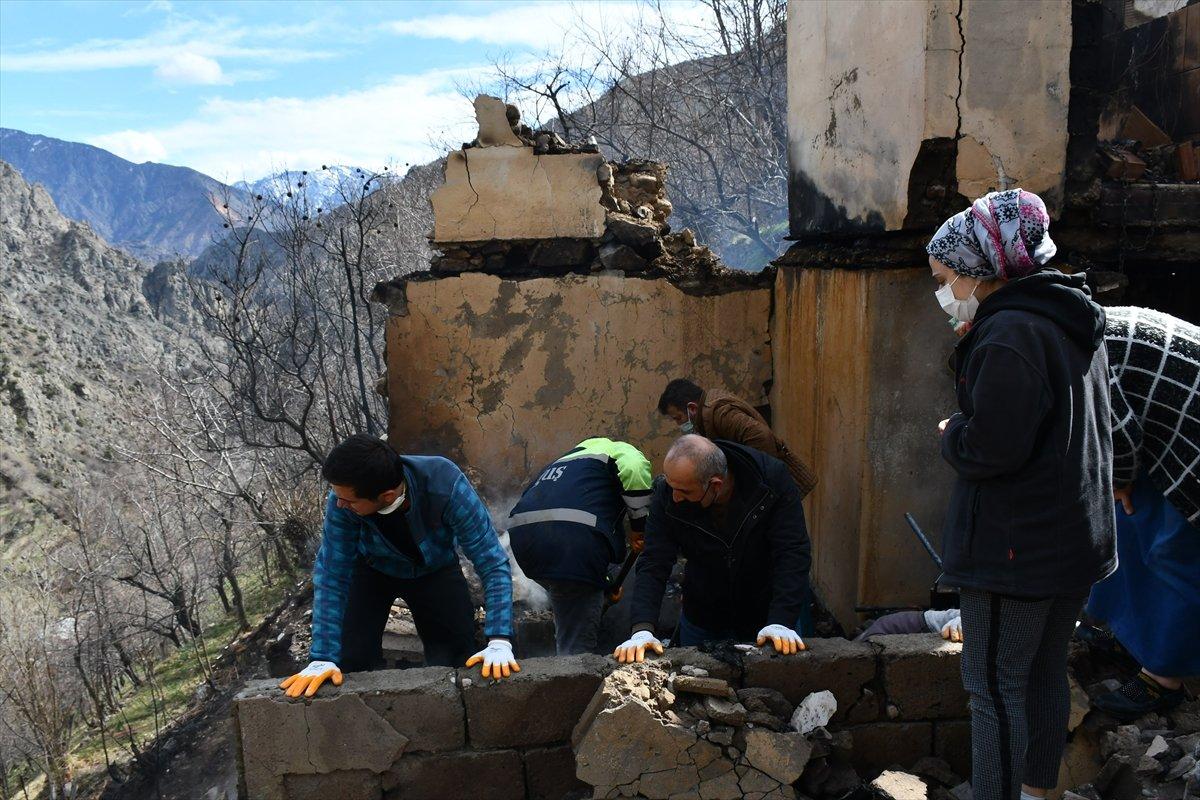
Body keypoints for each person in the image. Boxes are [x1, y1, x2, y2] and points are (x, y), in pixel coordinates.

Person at [927, 189, 1116, 800]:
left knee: (992, 688)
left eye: (944, 276)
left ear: (978, 271)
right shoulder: (1070, 318)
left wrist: (953, 434)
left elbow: (992, 447)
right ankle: (1041, 791)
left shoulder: (1009, 334)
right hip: (1072, 538)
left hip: (1017, 550)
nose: (943, 291)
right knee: (1039, 677)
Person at [280, 434, 518, 699]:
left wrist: (499, 638)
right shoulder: (344, 502)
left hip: (435, 570)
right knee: (351, 657)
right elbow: (331, 573)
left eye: (349, 501)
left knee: (455, 654)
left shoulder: (444, 483)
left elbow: (491, 561)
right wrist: (322, 656)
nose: (339, 504)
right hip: (370, 569)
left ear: (386, 495)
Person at [1086, 307, 1200, 721]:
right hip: (1168, 426)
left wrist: (1119, 480)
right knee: (1130, 525)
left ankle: (1164, 676)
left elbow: (1118, 433)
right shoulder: (1066, 321)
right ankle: (1119, 630)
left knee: (1176, 553)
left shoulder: (1073, 345)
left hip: (1190, 434)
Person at [614, 434, 813, 663]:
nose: (676, 498)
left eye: (685, 492)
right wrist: (642, 628)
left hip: (765, 610)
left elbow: (792, 551)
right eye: (672, 488)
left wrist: (781, 620)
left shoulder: (770, 480)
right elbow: (654, 561)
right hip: (703, 615)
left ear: (715, 485)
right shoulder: (668, 493)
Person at [507, 437, 653, 655]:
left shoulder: (563, 461)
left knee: (570, 594)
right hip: (570, 544)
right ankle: (571, 675)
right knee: (576, 644)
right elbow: (634, 468)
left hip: (524, 542)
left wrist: (604, 585)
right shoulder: (617, 449)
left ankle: (568, 640)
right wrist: (640, 528)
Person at [657, 379, 818, 498]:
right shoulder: (708, 408)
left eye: (678, 418)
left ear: (692, 408)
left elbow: (761, 436)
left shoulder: (719, 413)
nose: (679, 424)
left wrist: (752, 483)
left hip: (767, 488)